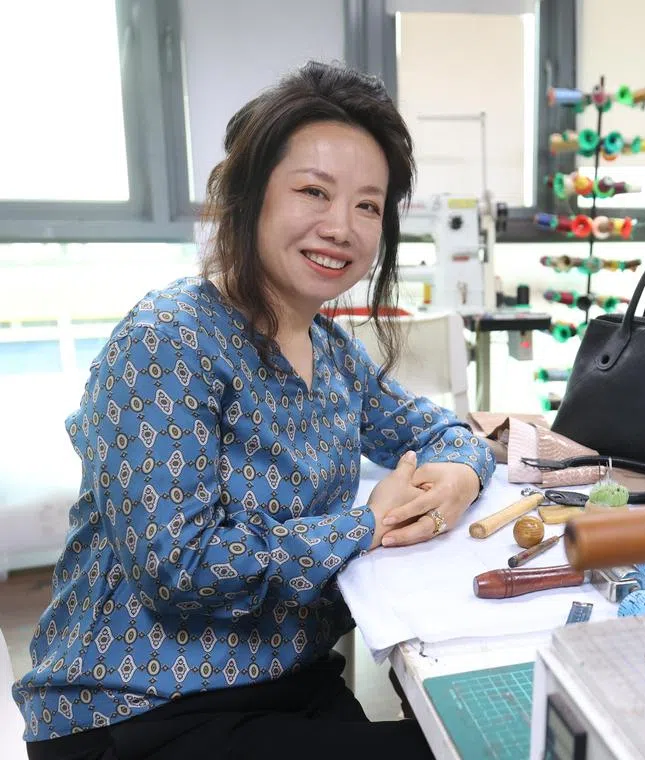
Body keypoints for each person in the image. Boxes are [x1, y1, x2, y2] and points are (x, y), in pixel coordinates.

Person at [12, 60, 495, 759]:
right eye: (313, 191)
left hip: (285, 683)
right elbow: (179, 568)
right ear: (249, 195)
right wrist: (365, 524)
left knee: (476, 737)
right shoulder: (167, 342)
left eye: (367, 205)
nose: (342, 227)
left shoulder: (329, 350)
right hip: (138, 709)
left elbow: (439, 429)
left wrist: (461, 473)